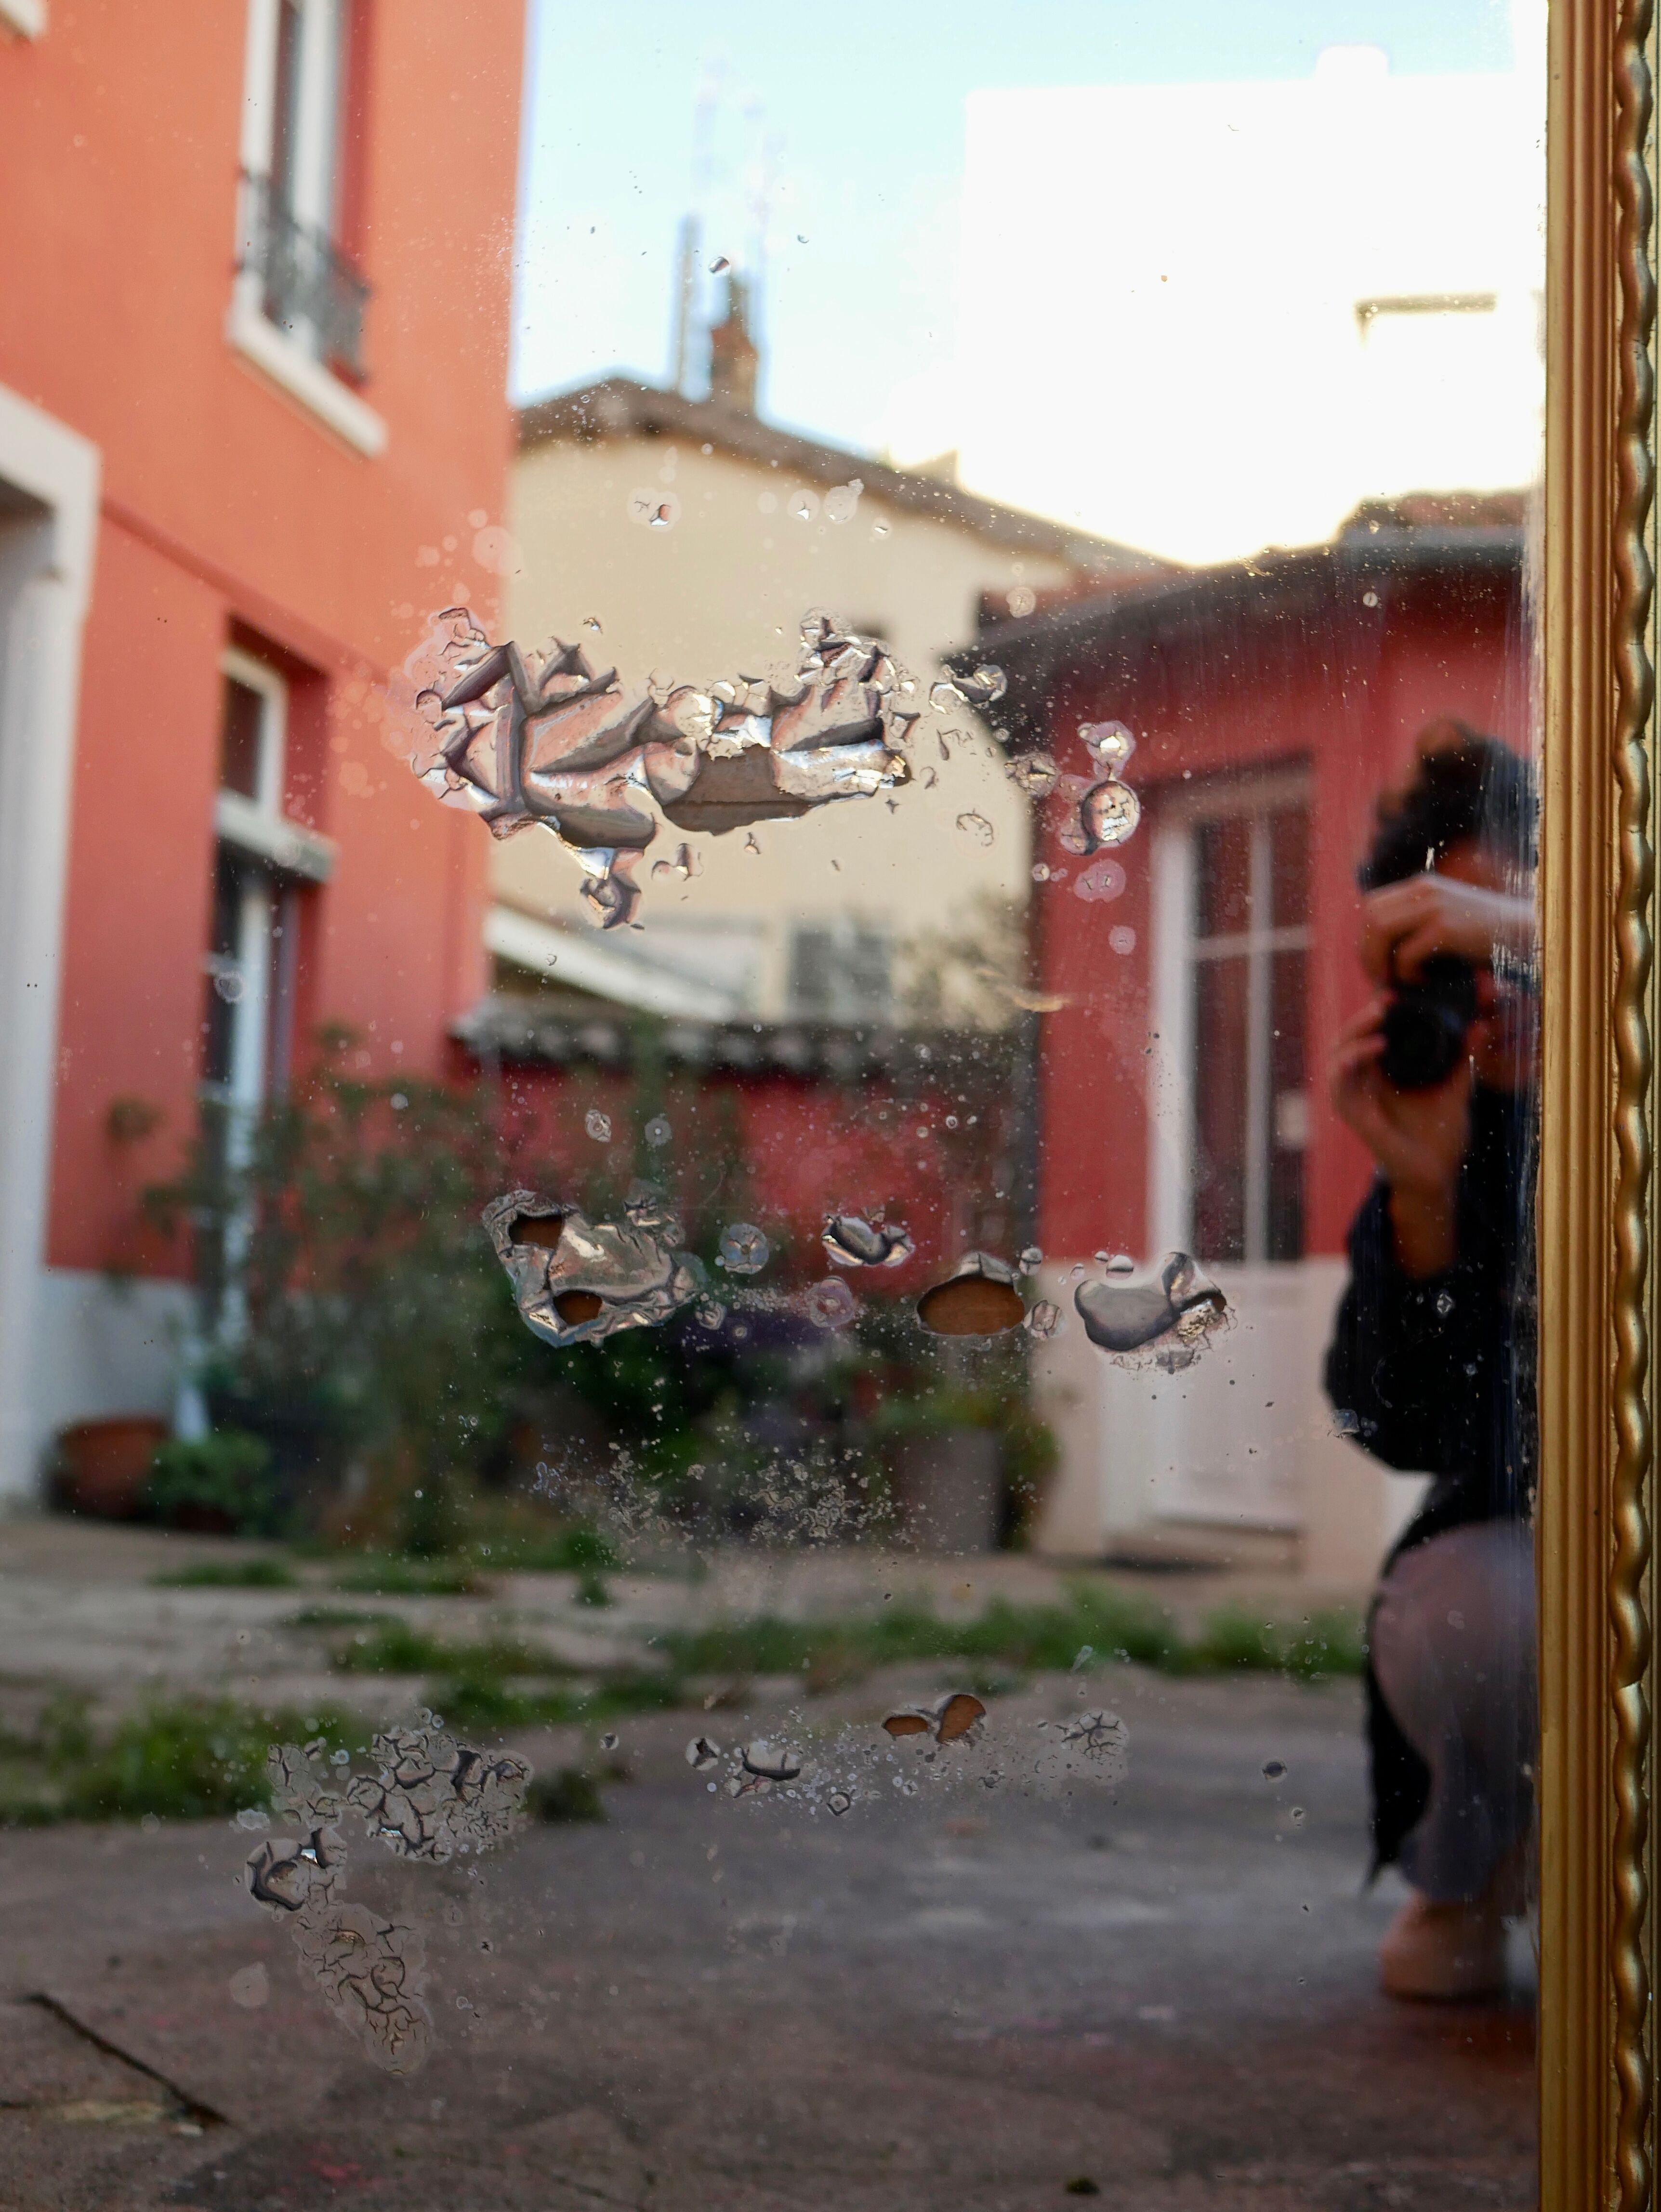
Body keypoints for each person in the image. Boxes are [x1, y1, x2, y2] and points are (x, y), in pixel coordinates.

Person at [1324, 720, 1538, 2001]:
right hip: (1553, 1563)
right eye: (1462, 962)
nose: (1500, 988)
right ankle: (1484, 1853)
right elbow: (1400, 1430)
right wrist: (1426, 1198)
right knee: (1472, 1603)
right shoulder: (1478, 1130)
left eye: (1511, 940)